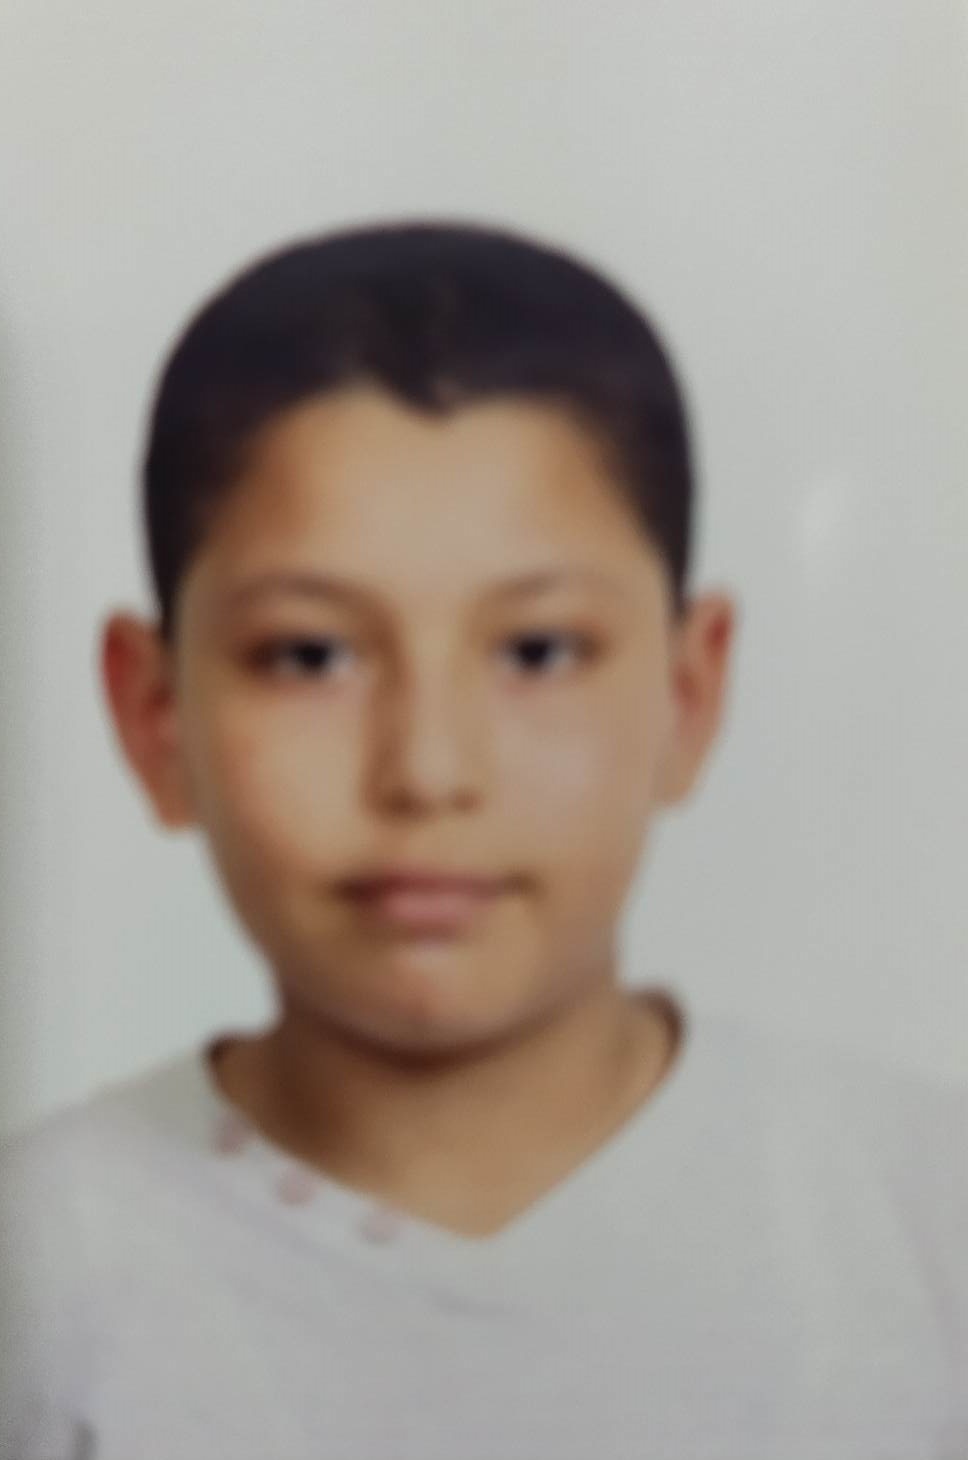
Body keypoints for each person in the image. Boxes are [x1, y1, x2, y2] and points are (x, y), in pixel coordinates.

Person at [1, 218, 965, 1460]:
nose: (429, 769)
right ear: (153, 713)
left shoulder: (919, 1235)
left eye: (537, 650)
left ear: (687, 692)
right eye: (310, 654)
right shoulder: (41, 1285)